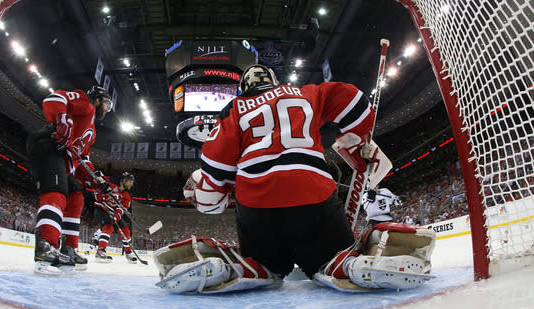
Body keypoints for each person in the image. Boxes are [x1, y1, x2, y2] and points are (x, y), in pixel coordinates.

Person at [155, 65, 435, 293]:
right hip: (312, 192)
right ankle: (350, 265)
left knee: (266, 263)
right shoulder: (304, 93)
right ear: (276, 81)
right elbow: (352, 99)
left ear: (243, 89)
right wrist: (356, 140)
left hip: (257, 204)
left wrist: (209, 199)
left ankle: (242, 267)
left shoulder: (234, 108)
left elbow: (216, 164)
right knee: (328, 257)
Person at [27, 85, 113, 276]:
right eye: (106, 103)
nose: (107, 109)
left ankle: (68, 249)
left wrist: (97, 180)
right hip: (49, 146)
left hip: (64, 159)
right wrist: (62, 119)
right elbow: (53, 99)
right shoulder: (85, 104)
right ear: (97, 100)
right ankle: (45, 247)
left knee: (76, 196)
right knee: (57, 192)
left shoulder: (91, 130)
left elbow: (83, 161)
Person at [90, 172, 137, 263]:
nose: (131, 184)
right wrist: (100, 188)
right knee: (108, 227)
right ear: (124, 180)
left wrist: (116, 216)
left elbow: (122, 208)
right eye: (130, 182)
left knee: (126, 232)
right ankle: (100, 252)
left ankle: (128, 254)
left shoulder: (127, 196)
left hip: (113, 213)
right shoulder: (111, 183)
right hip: (101, 209)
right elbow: (97, 180)